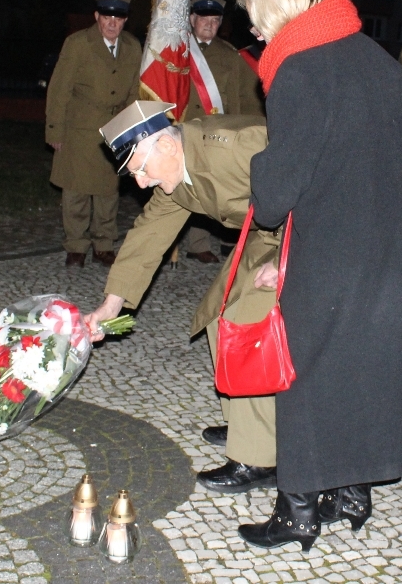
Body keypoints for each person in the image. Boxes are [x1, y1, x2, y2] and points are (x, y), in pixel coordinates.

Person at [233, 0, 402, 552]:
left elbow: (280, 185)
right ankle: (353, 495)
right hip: (394, 243)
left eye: (254, 18)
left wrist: (259, 172)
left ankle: (298, 512)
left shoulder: (298, 68)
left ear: (275, 8)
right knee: (367, 367)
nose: (256, 33)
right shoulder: (374, 56)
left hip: (335, 247)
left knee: (311, 370)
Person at [83, 100, 281, 494]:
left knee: (247, 324)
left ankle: (261, 457)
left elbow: (320, 185)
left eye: (140, 169)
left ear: (169, 147)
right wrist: (112, 304)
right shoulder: (176, 171)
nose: (140, 183)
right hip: (260, 236)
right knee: (216, 315)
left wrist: (292, 264)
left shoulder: (242, 146)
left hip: (301, 233)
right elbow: (148, 235)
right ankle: (246, 424)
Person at [45, 0, 141, 267]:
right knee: (76, 191)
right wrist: (55, 131)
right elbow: (59, 89)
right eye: (107, 17)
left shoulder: (133, 47)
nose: (112, 23)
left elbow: (134, 91)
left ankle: (103, 244)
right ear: (97, 17)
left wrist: (132, 131)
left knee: (107, 191)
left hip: (114, 128)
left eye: (119, 18)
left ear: (125, 21)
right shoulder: (78, 44)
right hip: (80, 128)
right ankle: (76, 245)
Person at [183, 0, 266, 264]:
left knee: (210, 186)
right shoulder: (176, 50)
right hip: (183, 130)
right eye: (204, 19)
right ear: (192, 19)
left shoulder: (230, 56)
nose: (210, 24)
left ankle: (201, 243)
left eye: (216, 20)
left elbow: (243, 97)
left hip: (215, 134)